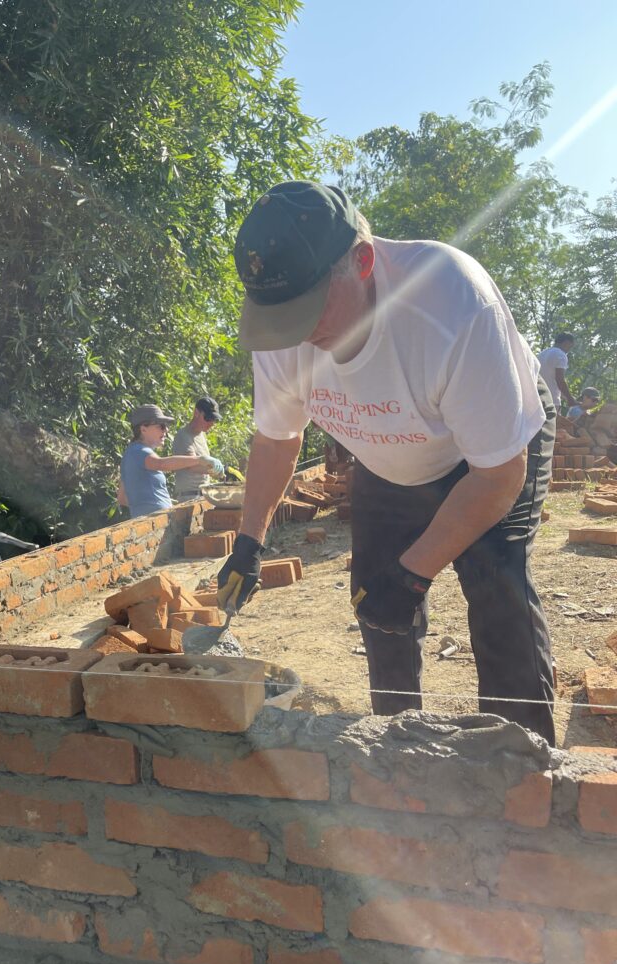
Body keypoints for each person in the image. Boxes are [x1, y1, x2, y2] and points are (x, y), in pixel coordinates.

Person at [217, 180, 557, 745]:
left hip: (487, 453)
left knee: (498, 597)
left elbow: (498, 475)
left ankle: (524, 769)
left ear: (363, 261)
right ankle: (397, 752)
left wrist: (415, 571)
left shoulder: (450, 306)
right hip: (386, 451)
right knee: (377, 603)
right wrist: (249, 542)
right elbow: (277, 439)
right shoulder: (281, 324)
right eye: (282, 316)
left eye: (308, 309)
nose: (296, 335)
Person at [118, 404, 223, 518]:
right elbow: (162, 464)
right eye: (161, 426)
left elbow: (122, 498)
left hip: (150, 521)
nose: (166, 430)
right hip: (155, 524)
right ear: (143, 428)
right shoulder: (139, 451)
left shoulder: (131, 453)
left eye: (166, 426)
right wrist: (200, 459)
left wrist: (154, 504)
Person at [171, 396, 222, 501]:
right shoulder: (183, 435)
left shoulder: (202, 435)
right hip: (189, 496)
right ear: (196, 413)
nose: (211, 423)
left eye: (213, 419)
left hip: (203, 495)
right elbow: (191, 466)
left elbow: (204, 465)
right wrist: (215, 470)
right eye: (208, 418)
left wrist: (219, 471)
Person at [538, 332, 576, 412]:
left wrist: (565, 397)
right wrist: (570, 399)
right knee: (550, 424)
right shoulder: (561, 355)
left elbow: (548, 379)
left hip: (537, 396)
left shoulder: (542, 354)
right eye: (570, 347)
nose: (569, 350)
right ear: (566, 343)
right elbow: (559, 380)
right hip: (551, 400)